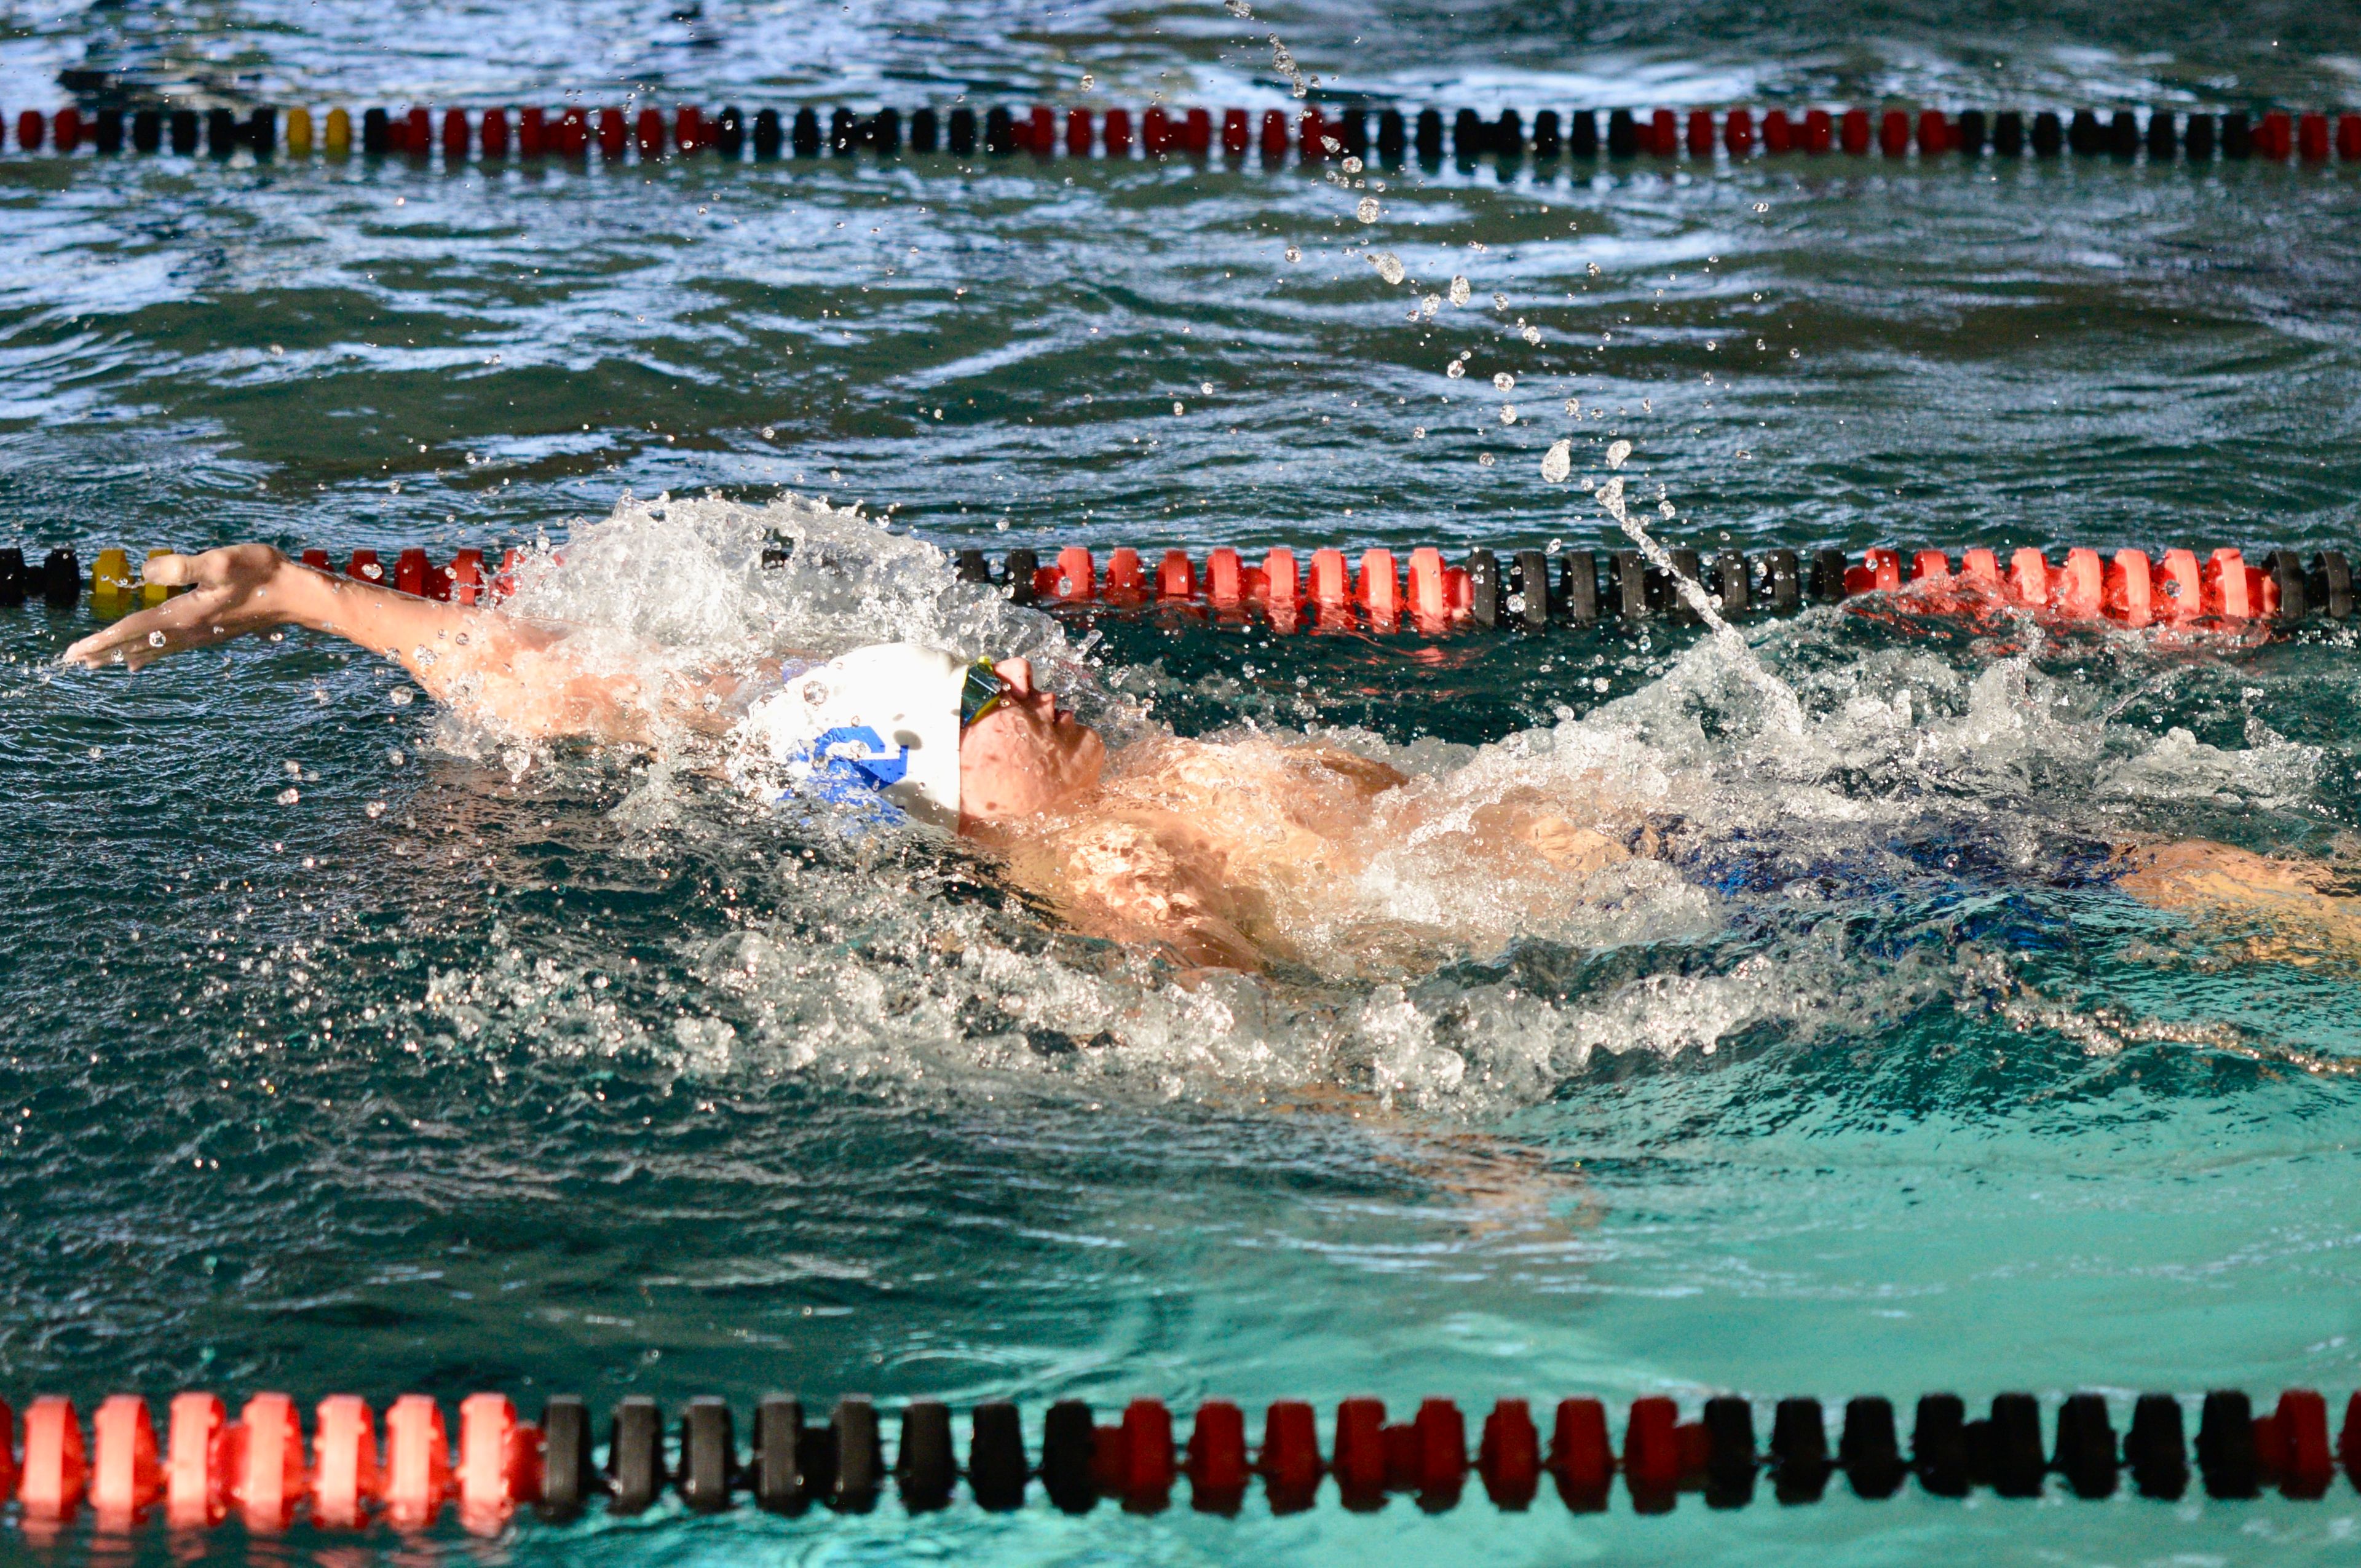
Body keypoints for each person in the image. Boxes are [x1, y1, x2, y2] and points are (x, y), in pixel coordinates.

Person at [63, 543, 2360, 975]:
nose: (1030, 696)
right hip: (1587, 863)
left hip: (1583, 848)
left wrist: (286, 596)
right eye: (993, 713)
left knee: (2053, 850)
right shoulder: (1083, 840)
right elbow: (1243, 1028)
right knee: (2048, 856)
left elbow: (552, 683)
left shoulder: (1080, 811)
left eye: (1004, 691)